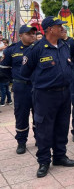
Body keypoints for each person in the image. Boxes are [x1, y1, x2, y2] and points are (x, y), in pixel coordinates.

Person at [21, 16, 74, 178]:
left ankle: (59, 156)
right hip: (45, 95)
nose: (62, 29)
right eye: (59, 26)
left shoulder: (64, 46)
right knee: (44, 129)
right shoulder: (36, 48)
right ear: (50, 29)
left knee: (62, 126)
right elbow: (25, 73)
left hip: (65, 93)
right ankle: (44, 161)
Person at [0, 25, 36, 154]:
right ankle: (21, 141)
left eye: (33, 33)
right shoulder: (12, 50)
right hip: (21, 87)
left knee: (39, 114)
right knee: (21, 114)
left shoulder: (39, 48)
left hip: (37, 86)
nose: (32, 36)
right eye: (28, 34)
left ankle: (39, 138)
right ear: (20, 36)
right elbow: (4, 70)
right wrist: (16, 80)